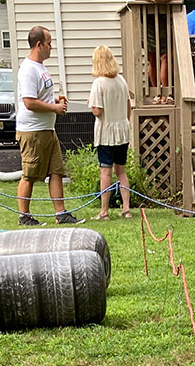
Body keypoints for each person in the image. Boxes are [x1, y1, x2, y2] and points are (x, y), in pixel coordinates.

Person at [16, 26, 79, 226]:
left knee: (56, 171)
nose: (51, 47)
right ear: (39, 45)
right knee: (30, 174)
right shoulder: (28, 69)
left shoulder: (41, 67)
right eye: (49, 43)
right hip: (32, 131)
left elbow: (40, 96)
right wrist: (54, 108)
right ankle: (24, 216)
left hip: (48, 129)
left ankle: (61, 214)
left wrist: (55, 99)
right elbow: (29, 102)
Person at [89, 45, 133, 220]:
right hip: (122, 131)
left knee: (105, 172)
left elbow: (97, 111)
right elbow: (128, 106)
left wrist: (91, 104)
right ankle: (126, 209)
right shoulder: (121, 81)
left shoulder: (99, 83)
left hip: (106, 132)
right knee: (121, 171)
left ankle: (104, 211)